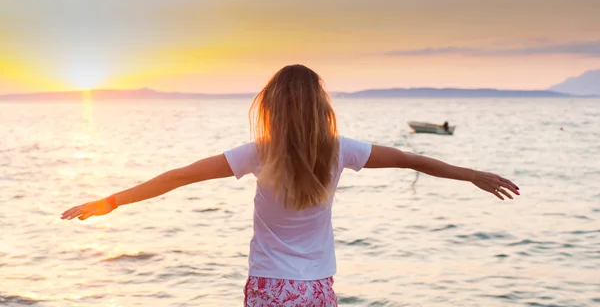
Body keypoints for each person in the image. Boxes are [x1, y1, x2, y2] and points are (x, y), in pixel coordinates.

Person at [61, 64, 520, 306]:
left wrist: (111, 201)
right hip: (317, 289)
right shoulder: (340, 149)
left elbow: (179, 177)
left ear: (273, 107)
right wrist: (471, 174)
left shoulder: (259, 152)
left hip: (270, 289)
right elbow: (408, 160)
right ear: (320, 106)